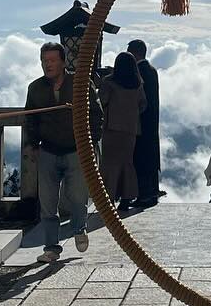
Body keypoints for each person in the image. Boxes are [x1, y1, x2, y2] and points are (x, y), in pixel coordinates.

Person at [23, 41, 102, 260]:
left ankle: (79, 229)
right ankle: (51, 248)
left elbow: (96, 114)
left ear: (62, 62)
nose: (47, 65)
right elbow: (30, 118)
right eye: (44, 61)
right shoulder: (35, 88)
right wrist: (32, 144)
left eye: (52, 61)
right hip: (48, 150)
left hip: (76, 150)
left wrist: (91, 142)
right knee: (47, 202)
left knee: (77, 196)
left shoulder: (81, 84)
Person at [98, 49, 146, 211]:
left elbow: (102, 101)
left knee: (109, 163)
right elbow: (143, 104)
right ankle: (127, 197)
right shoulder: (138, 84)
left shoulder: (109, 82)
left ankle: (108, 198)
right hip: (131, 129)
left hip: (112, 128)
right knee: (127, 162)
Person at [128, 38, 162, 208]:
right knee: (150, 157)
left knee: (141, 158)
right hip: (152, 121)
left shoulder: (138, 73)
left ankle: (144, 194)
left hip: (141, 122)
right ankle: (152, 191)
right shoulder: (152, 70)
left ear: (134, 53)